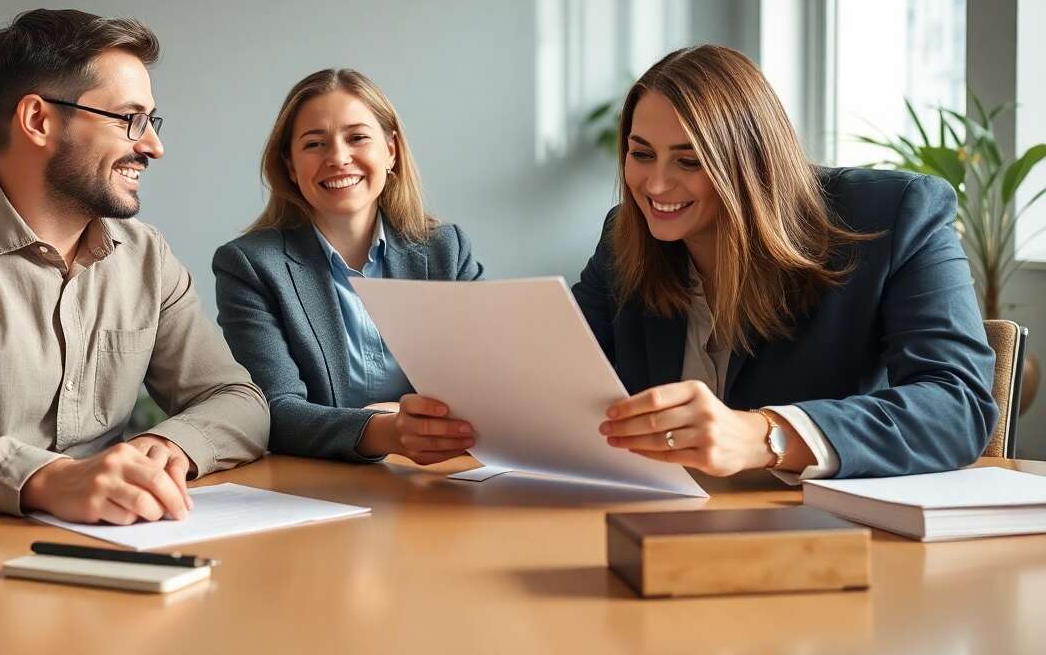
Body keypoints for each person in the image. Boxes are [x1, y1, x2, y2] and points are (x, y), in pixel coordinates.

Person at [0, 9, 269, 564]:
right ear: (38, 120)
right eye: (130, 119)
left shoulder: (147, 258)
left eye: (153, 120)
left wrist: (170, 445)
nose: (153, 146)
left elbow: (238, 399)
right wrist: (55, 479)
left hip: (89, 560)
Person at [574, 45, 997, 481]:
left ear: (751, 162)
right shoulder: (625, 238)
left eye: (689, 161)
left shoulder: (897, 214)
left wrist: (763, 435)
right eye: (642, 154)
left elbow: (958, 406)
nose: (657, 184)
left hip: (825, 532)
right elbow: (558, 375)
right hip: (662, 518)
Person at [213, 68, 482, 464]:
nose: (338, 158)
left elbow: (488, 382)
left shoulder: (446, 249)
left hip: (446, 478)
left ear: (391, 150)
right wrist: (387, 431)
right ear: (290, 166)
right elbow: (275, 411)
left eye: (357, 137)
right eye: (314, 144)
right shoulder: (250, 265)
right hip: (319, 487)